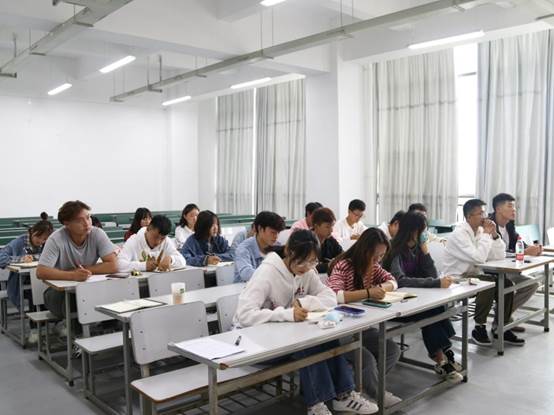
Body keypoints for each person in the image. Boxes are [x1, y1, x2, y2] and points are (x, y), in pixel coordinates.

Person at [234, 230, 377, 415]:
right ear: (289, 251)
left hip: (282, 337)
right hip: (252, 343)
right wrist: (286, 314)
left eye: (312, 261)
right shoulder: (267, 273)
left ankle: (344, 396)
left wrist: (305, 303)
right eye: (302, 261)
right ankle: (316, 405)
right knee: (307, 345)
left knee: (325, 338)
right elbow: (244, 315)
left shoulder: (307, 270)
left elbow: (330, 297)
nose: (307, 267)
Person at [382, 212, 462, 383]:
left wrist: (425, 253)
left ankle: (444, 356)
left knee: (438, 307)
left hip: (415, 299)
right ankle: (441, 359)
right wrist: (435, 283)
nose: (425, 233)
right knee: (431, 312)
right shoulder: (394, 249)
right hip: (397, 304)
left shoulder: (418, 248)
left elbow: (432, 275)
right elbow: (400, 280)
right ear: (413, 230)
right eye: (423, 230)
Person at [326, 228, 401, 407]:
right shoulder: (344, 265)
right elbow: (336, 295)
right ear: (365, 251)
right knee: (366, 359)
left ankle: (363, 387)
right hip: (339, 328)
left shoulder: (373, 266)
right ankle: (375, 393)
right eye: (375, 256)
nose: (378, 261)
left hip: (361, 326)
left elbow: (393, 281)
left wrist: (381, 288)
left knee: (391, 350)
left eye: (381, 256)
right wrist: (368, 292)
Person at [442, 199, 524, 346]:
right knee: (488, 283)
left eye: (484, 213)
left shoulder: (480, 231)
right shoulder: (459, 234)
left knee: (506, 284)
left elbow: (499, 255)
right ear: (469, 217)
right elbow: (479, 257)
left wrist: (494, 235)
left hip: (473, 275)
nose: (485, 217)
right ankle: (479, 327)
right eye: (480, 213)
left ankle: (501, 327)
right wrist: (486, 234)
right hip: (456, 278)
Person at [37, 201, 118, 320]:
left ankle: (106, 327)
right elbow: (41, 272)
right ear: (67, 223)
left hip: (87, 287)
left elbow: (113, 265)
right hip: (58, 292)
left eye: (88, 217)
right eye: (79, 220)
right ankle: (72, 327)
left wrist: (84, 270)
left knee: (112, 295)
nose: (87, 223)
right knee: (75, 302)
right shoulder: (56, 239)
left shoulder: (97, 234)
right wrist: (73, 275)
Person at [489, 193, 540, 334]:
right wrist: (523, 252)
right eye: (510, 206)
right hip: (491, 270)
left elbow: (520, 243)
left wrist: (533, 249)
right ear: (498, 209)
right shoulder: (489, 226)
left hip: (507, 269)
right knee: (508, 286)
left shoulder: (510, 225)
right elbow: (494, 254)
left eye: (514, 206)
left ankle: (504, 316)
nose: (514, 210)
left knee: (532, 284)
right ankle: (502, 321)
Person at [0, 217, 53, 310]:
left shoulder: (47, 244)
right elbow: (1, 257)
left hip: (41, 278)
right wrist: (21, 259)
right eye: (38, 237)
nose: (41, 241)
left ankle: (45, 314)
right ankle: (36, 316)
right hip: (21, 282)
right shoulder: (18, 242)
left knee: (47, 287)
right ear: (32, 231)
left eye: (44, 239)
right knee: (36, 288)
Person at [118, 215, 186, 272]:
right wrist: (144, 266)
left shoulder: (166, 241)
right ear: (148, 228)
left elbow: (183, 261)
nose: (158, 242)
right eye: (155, 237)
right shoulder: (133, 240)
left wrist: (171, 259)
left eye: (162, 239)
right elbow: (119, 264)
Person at [234, 212, 285, 283]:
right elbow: (246, 274)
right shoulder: (244, 248)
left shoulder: (277, 246)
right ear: (260, 229)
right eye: (273, 232)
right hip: (244, 288)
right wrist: (274, 275)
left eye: (278, 233)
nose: (276, 236)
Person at [310, 207, 342, 274]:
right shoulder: (306, 241)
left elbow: (342, 255)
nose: (331, 230)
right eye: (327, 227)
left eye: (332, 226)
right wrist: (328, 265)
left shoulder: (330, 240)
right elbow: (306, 267)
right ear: (316, 226)